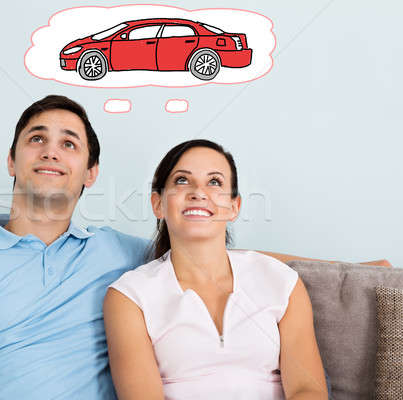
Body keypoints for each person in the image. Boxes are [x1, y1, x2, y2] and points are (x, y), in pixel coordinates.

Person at [0, 95, 384, 399]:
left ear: (90, 173)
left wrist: (352, 271)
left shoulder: (119, 257)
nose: (51, 151)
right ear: (12, 161)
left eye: (69, 144)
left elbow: (217, 256)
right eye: (37, 140)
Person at [104, 140, 329, 399]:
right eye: (181, 180)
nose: (199, 192)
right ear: (158, 204)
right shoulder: (129, 296)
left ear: (234, 206)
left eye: (214, 182)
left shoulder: (282, 282)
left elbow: (308, 389)